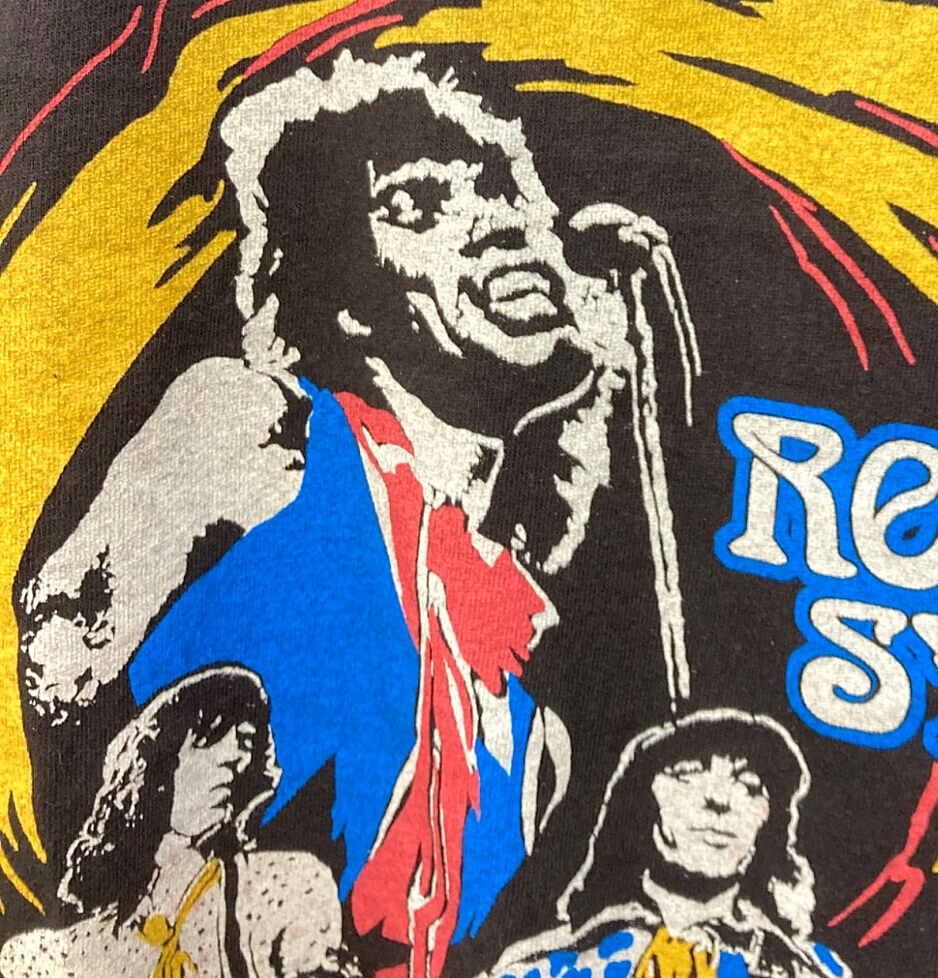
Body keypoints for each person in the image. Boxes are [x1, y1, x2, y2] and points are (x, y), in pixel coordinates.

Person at [18, 52, 700, 978]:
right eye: (416, 204)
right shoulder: (257, 428)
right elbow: (56, 663)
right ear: (340, 299)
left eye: (503, 192)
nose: (497, 223)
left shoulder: (535, 740)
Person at [0, 665, 348, 978]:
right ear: (160, 762)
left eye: (246, 741)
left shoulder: (281, 885)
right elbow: (22, 958)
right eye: (213, 734)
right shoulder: (90, 941)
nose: (237, 757)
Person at [494, 711, 848, 978]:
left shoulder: (807, 968)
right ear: (641, 798)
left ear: (769, 817)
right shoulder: (553, 966)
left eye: (749, 783)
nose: (719, 800)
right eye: (688, 772)